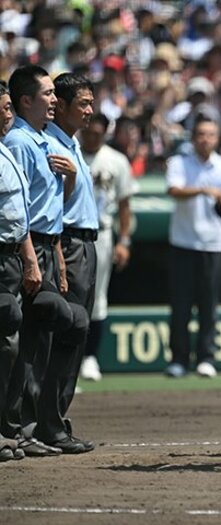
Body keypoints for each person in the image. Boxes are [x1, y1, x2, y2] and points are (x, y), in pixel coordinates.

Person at [1, 65, 87, 457]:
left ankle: (41, 424)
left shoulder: (39, 140)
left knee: (48, 332)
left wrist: (56, 258)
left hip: (47, 249)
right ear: (26, 101)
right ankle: (23, 424)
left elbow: (50, 207)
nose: (55, 100)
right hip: (26, 251)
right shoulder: (19, 142)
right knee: (37, 329)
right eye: (49, 93)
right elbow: (21, 214)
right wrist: (34, 258)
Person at [38, 72, 99, 454]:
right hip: (70, 243)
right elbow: (52, 208)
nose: (90, 111)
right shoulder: (53, 146)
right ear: (58, 105)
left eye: (91, 103)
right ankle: (49, 423)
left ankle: (56, 420)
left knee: (77, 334)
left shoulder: (71, 144)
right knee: (67, 333)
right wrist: (59, 251)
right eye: (83, 104)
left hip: (85, 244)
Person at [163, 114, 221, 379]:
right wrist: (203, 191)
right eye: (200, 134)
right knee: (181, 305)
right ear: (193, 138)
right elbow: (172, 190)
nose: (205, 139)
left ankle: (206, 357)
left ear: (217, 138)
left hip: (214, 244)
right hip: (183, 242)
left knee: (209, 305)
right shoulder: (179, 162)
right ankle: (179, 359)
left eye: (210, 134)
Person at [0, 82, 40, 462]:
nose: (10, 113)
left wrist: (29, 258)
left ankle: (6, 428)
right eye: (5, 107)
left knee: (10, 341)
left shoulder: (5, 149)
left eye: (12, 106)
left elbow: (18, 215)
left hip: (11, 257)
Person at [80, 113, 135, 382]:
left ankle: (90, 356)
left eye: (98, 134)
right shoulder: (68, 150)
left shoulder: (116, 160)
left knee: (98, 296)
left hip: (101, 233)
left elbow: (125, 206)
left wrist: (124, 240)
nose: (92, 138)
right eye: (88, 132)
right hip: (68, 233)